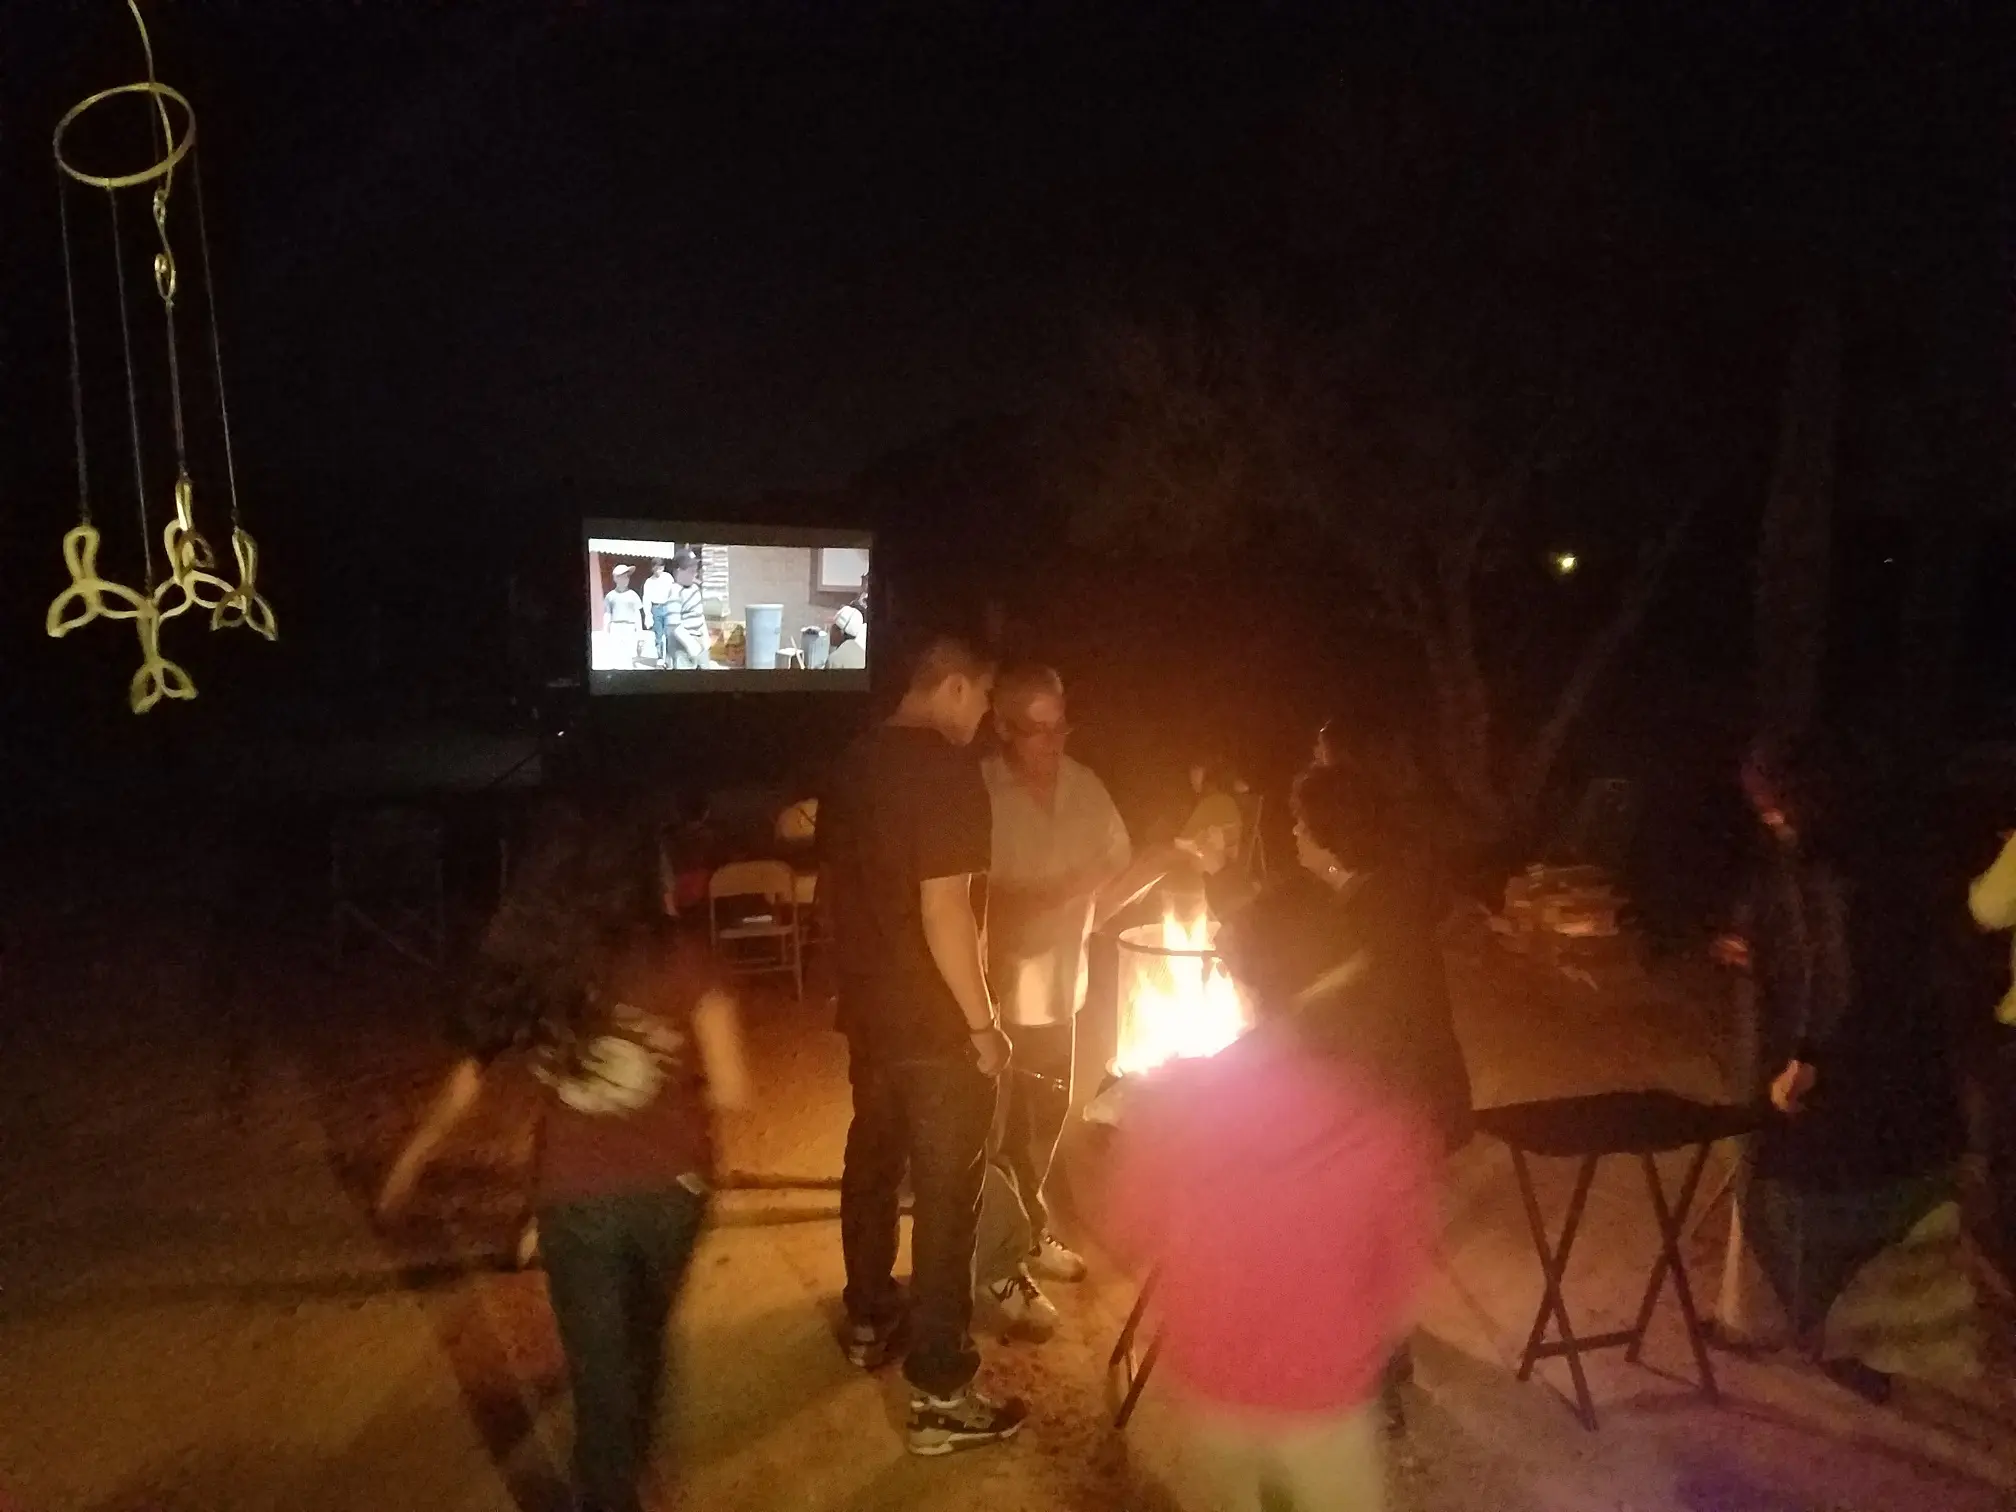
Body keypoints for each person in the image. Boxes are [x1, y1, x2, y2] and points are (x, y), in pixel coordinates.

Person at [377, 801, 749, 1512]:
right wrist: (665, 1076)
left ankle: (609, 1493)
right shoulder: (684, 953)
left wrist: (412, 1160)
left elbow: (467, 1080)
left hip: (574, 1195)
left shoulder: (540, 965)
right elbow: (733, 1090)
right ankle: (633, 1463)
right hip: (673, 1188)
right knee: (645, 1337)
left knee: (596, 1358)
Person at [1102, 803, 1441, 1512]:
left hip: (1214, 1382)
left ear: (1244, 979)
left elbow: (1129, 1229)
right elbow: (1401, 1276)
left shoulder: (1180, 1098)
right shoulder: (1384, 1115)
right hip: (1327, 1390)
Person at [1714, 743, 1977, 1401]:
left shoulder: (1838, 864)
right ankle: (1773, 1322)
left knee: (1838, 1206)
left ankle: (1846, 1346)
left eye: (1775, 807)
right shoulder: (1844, 848)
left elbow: (1838, 968)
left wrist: (1806, 1058)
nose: (1770, 820)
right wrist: (1750, 944)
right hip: (1862, 1063)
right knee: (1803, 1197)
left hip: (1851, 1070)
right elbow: (1800, 943)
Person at [819, 636, 1028, 1455]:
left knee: (872, 1165)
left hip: (869, 1016)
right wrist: (983, 1027)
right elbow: (948, 912)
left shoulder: (855, 762)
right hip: (934, 1031)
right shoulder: (946, 772)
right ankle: (942, 1393)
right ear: (948, 686)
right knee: (947, 1200)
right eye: (980, 700)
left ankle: (870, 1317)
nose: (984, 721)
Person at [970, 665, 1135, 1335]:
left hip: (1062, 986)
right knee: (989, 1134)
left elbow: (1116, 858)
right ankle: (996, 1266)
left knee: (1041, 1126)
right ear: (1004, 729)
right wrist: (1039, 897)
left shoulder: (1086, 786)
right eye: (1037, 729)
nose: (1053, 740)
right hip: (993, 998)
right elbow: (967, 892)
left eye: (1060, 724)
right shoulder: (978, 791)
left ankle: (1032, 1232)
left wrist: (1080, 893)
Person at [667, 550, 711, 669]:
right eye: (690, 569)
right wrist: (691, 645)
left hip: (699, 642)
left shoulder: (695, 589)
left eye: (695, 568)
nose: (694, 572)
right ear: (678, 571)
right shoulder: (675, 592)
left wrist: (705, 638)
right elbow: (674, 625)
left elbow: (700, 615)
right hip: (682, 645)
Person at [602, 565, 647, 668]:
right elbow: (608, 613)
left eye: (627, 577)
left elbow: (637, 614)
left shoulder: (633, 595)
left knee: (629, 653)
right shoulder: (610, 596)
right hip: (615, 626)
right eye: (622, 577)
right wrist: (606, 630)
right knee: (615, 654)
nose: (625, 579)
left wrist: (640, 633)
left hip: (629, 627)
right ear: (615, 578)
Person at [643, 559, 678, 667]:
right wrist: (647, 614)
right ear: (652, 568)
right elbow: (646, 599)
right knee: (658, 634)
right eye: (656, 567)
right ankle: (659, 657)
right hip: (656, 608)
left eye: (661, 567)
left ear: (663, 568)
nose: (658, 570)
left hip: (667, 607)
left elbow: (674, 592)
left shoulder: (668, 577)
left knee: (669, 634)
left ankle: (668, 658)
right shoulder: (649, 582)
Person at [828, 602, 868, 670]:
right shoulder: (863, 655)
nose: (830, 631)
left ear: (841, 632)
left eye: (833, 627)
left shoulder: (835, 660)